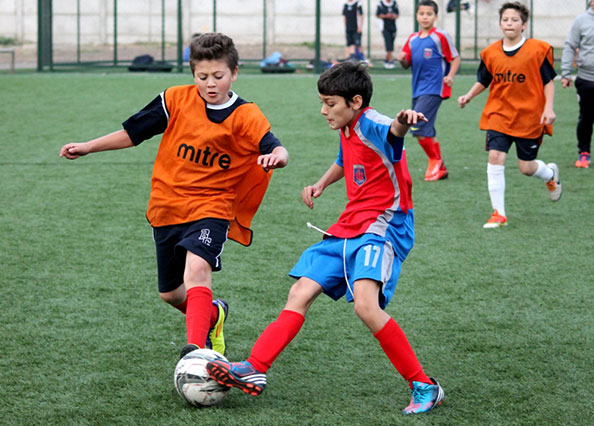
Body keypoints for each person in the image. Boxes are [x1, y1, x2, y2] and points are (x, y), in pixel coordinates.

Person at [206, 61, 445, 415]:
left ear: (356, 101)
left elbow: (392, 132)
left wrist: (404, 121)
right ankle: (254, 367)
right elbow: (344, 158)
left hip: (384, 225)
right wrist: (321, 183)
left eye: (330, 103)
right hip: (350, 223)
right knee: (300, 291)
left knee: (366, 305)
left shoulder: (374, 123)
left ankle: (425, 385)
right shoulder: (347, 127)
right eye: (322, 102)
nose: (323, 110)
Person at [59, 33, 289, 359]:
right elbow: (133, 132)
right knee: (170, 293)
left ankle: (196, 351)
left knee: (197, 269)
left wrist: (279, 156)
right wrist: (88, 147)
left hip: (212, 205)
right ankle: (213, 315)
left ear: (234, 73)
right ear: (193, 74)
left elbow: (273, 145)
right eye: (202, 76)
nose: (210, 84)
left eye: (218, 76)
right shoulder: (175, 99)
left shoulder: (246, 115)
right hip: (166, 205)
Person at [457, 2, 561, 228]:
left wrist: (548, 108)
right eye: (505, 20)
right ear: (500, 24)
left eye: (514, 20)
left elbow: (548, 82)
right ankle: (499, 213)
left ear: (524, 24)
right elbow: (483, 81)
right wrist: (468, 96)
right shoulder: (490, 53)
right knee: (495, 156)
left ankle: (549, 174)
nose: (509, 23)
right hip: (499, 114)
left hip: (529, 118)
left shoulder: (538, 50)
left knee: (526, 167)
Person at [396, 0, 460, 181]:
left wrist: (451, 76)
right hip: (417, 90)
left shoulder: (440, 36)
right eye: (422, 14)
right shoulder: (412, 39)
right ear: (416, 16)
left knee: (417, 126)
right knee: (423, 126)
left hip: (435, 88)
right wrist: (401, 59)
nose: (425, 17)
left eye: (429, 14)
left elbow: (455, 58)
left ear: (436, 16)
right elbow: (406, 64)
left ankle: (435, 161)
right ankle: (439, 166)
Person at [561, 0, 594, 168]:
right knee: (586, 118)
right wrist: (565, 73)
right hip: (587, 79)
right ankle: (584, 153)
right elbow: (570, 46)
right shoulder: (581, 21)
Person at [376, 0, 399, 69]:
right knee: (388, 42)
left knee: (391, 43)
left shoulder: (394, 3)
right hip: (385, 27)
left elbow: (397, 14)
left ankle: (386, 59)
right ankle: (391, 60)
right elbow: (378, 14)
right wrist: (386, 16)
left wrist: (393, 16)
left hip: (393, 27)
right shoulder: (381, 4)